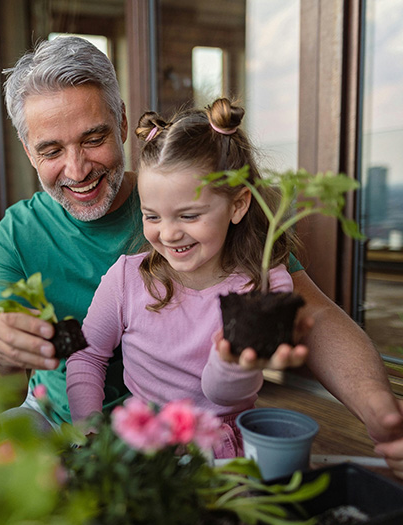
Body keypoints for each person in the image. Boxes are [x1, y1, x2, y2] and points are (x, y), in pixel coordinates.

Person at [0, 36, 403, 477]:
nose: (77, 168)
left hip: (197, 430)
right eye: (51, 150)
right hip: (60, 419)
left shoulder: (191, 198)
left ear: (123, 123)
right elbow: (2, 387)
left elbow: (316, 316)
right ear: (29, 151)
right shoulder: (15, 237)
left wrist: (381, 412)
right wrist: (0, 354)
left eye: (93, 138)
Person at [66, 98, 300, 458]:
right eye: (152, 216)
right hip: (145, 449)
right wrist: (90, 429)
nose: (169, 234)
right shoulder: (127, 279)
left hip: (221, 452)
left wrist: (230, 362)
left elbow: (223, 395)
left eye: (188, 216)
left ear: (238, 205)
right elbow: (86, 355)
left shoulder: (262, 289)